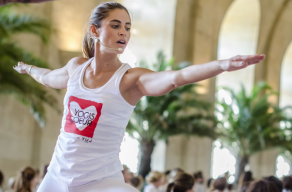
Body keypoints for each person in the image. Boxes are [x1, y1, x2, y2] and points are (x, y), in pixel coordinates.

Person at [13, 1, 265, 191]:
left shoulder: (130, 79)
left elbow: (176, 77)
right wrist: (28, 69)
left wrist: (221, 65)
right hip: (57, 176)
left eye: (127, 27)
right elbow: (48, 78)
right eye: (115, 25)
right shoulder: (75, 67)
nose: (123, 32)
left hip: (101, 181)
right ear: (94, 30)